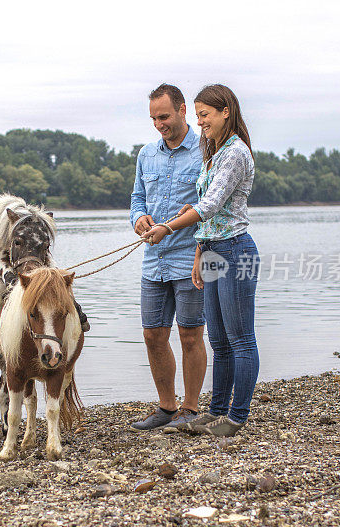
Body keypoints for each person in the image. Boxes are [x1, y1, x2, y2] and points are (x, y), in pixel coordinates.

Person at [142, 84, 260, 437]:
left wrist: (168, 226)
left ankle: (236, 417)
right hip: (211, 250)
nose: (200, 122)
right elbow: (207, 212)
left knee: (241, 340)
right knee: (220, 342)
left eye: (204, 115)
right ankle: (215, 412)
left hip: (236, 250)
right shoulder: (216, 151)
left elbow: (209, 205)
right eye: (197, 116)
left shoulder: (236, 153)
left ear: (226, 112)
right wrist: (198, 252)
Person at [128, 84, 207, 431]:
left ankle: (190, 409)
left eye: (164, 116)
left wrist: (173, 231)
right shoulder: (146, 154)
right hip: (153, 260)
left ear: (182, 110)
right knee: (152, 335)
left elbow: (210, 208)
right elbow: (136, 198)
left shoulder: (207, 150)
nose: (159, 124)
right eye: (154, 118)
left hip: (191, 258)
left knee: (190, 335)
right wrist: (138, 219)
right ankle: (165, 406)